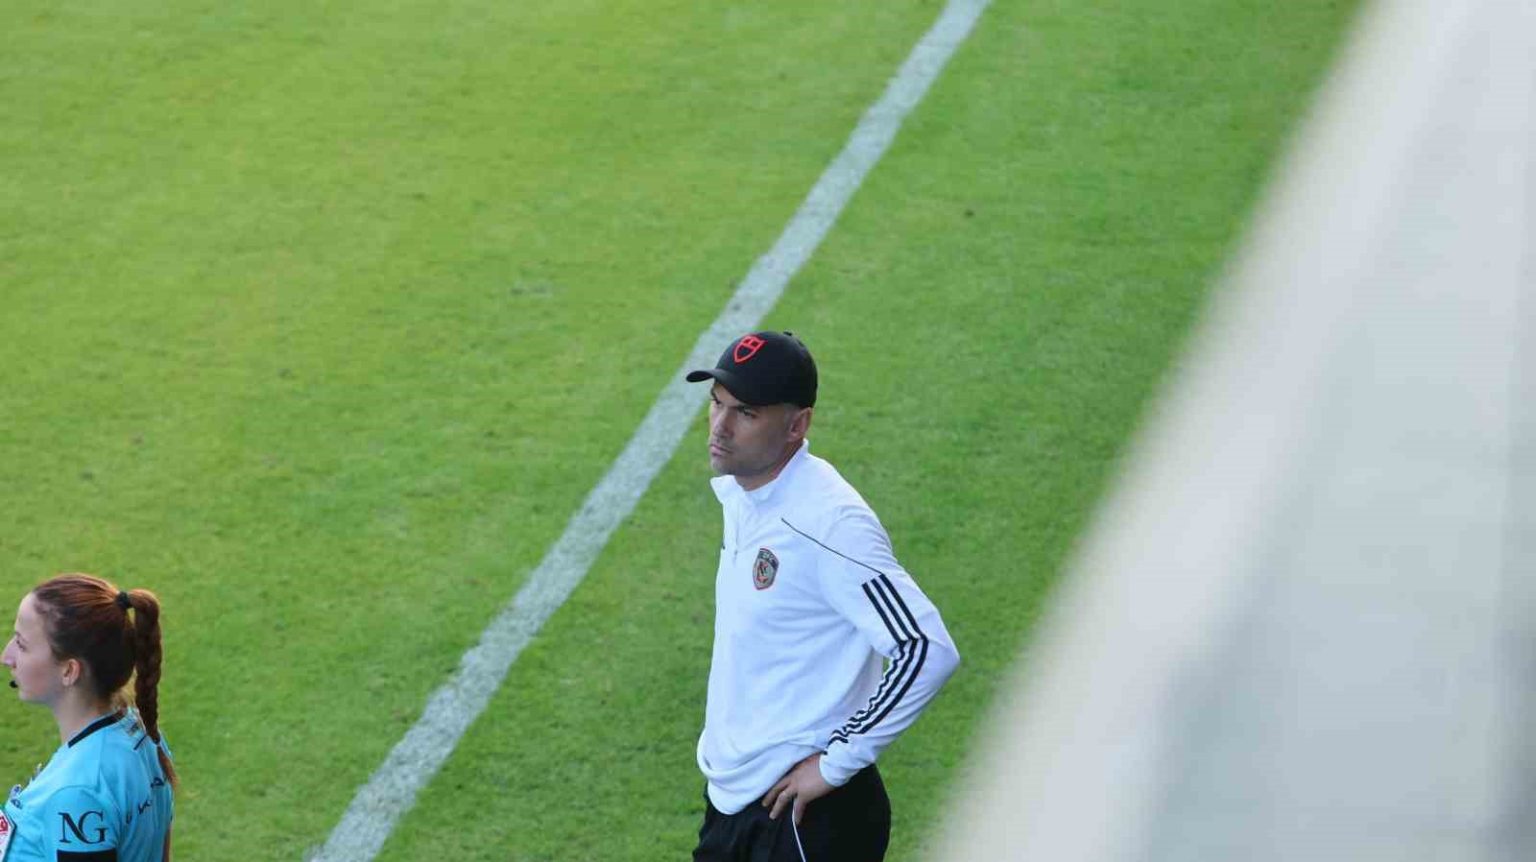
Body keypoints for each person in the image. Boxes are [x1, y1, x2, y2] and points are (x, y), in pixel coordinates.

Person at [685, 330, 960, 862]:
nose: (720, 427)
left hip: (804, 816)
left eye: (746, 413)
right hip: (734, 797)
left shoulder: (829, 522)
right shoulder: (744, 495)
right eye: (716, 404)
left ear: (797, 425)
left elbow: (925, 647)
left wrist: (835, 764)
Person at [0, 574, 176, 861]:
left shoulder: (79, 791)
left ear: (69, 671)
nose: (6, 657)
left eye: (21, 644)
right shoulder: (141, 731)